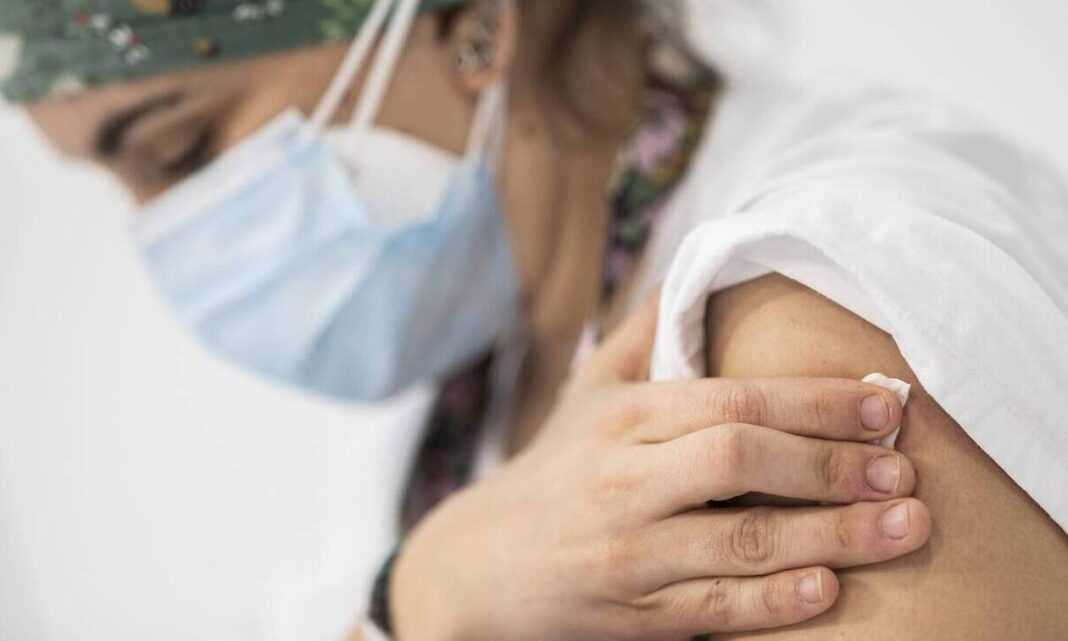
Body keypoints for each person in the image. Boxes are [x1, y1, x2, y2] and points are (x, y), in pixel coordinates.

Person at [1, 1, 1065, 640]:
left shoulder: (820, 289)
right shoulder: (451, 415)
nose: (166, 237)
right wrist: (428, 594)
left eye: (179, 149)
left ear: (473, 28)